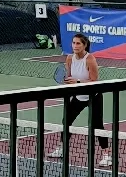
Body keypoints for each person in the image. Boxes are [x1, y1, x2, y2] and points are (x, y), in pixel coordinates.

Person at [47, 34, 111, 167]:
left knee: (97, 125)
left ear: (85, 45)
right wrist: (67, 81)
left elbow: (94, 81)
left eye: (78, 44)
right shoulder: (69, 58)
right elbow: (68, 76)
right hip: (78, 96)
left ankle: (106, 155)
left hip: (94, 96)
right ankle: (61, 149)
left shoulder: (90, 59)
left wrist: (77, 81)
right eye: (73, 43)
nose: (75, 46)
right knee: (66, 121)